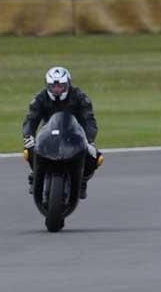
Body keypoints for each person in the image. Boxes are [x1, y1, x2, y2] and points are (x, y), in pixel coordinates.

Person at [22, 66, 101, 199]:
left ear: (68, 84)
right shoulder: (40, 98)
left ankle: (82, 180)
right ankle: (36, 175)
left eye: (61, 86)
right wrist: (28, 136)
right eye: (53, 86)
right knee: (28, 149)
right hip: (48, 134)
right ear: (47, 86)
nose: (57, 89)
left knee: (95, 156)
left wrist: (90, 139)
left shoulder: (79, 96)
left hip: (75, 134)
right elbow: (31, 119)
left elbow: (89, 120)